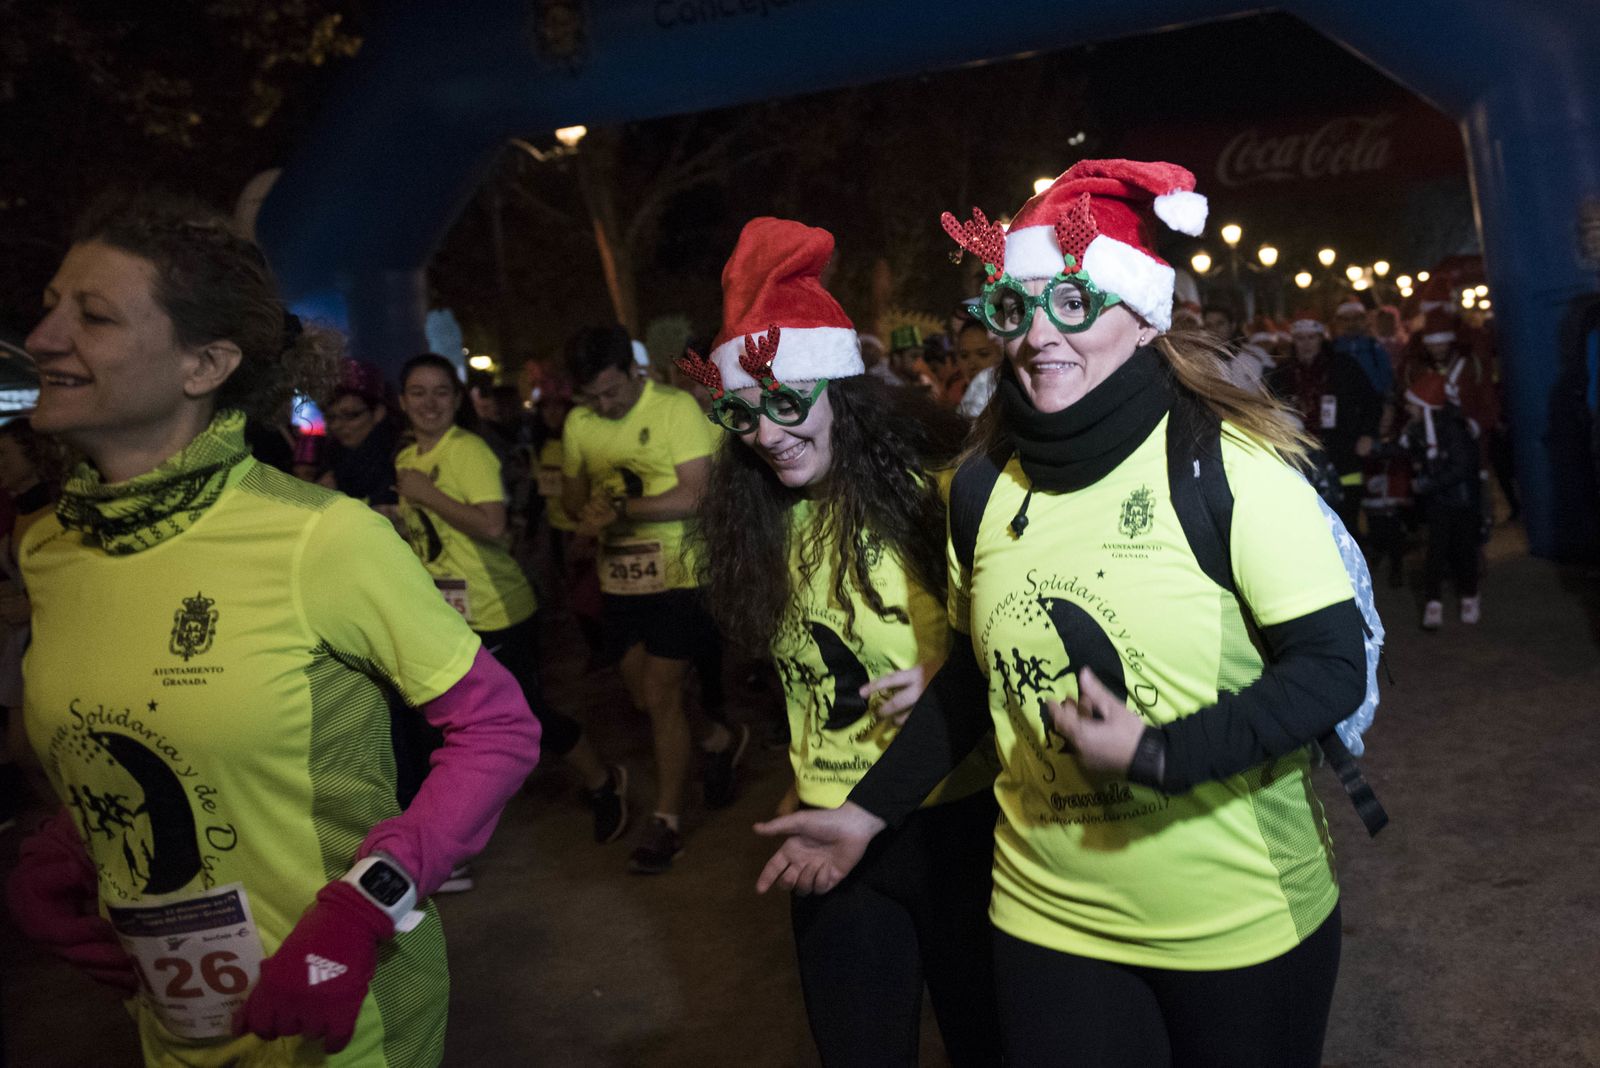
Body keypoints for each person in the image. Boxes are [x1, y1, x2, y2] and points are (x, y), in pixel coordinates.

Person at [755, 160, 1365, 1068]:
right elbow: (972, 679)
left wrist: (1161, 753)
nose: (1039, 336)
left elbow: (1330, 669)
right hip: (1047, 918)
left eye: (1074, 304)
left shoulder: (1229, 470)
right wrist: (866, 813)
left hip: (1236, 920)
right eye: (1015, 310)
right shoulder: (979, 487)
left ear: (1144, 314)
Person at [8, 193, 539, 1065]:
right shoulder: (51, 550)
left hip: (347, 1021)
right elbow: (149, 734)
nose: (45, 337)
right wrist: (68, 847)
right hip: (174, 1030)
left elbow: (500, 728)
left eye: (93, 315)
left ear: (205, 363)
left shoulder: (319, 537)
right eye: (50, 304)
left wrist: (363, 908)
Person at [685, 217, 1000, 1067]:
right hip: (831, 833)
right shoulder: (752, 518)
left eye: (788, 403)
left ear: (842, 392)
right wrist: (803, 778)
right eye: (741, 412)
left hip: (957, 824)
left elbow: (1029, 632)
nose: (767, 432)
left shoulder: (936, 493)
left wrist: (962, 660)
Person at [395, 353, 626, 846]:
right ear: (402, 401)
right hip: (446, 612)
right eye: (418, 392)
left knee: (527, 715)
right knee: (454, 720)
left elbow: (493, 525)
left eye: (441, 392)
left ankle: (605, 782)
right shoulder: (407, 459)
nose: (429, 402)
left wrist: (424, 495)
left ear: (458, 400)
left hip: (496, 608)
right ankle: (457, 823)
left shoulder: (467, 451)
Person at [559, 326, 737, 872]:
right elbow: (572, 497)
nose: (604, 406)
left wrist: (622, 513)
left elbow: (697, 493)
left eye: (612, 392)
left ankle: (667, 823)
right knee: (644, 694)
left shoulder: (676, 410)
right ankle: (716, 737)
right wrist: (586, 511)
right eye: (592, 398)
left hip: (682, 571)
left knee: (661, 691)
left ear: (635, 371)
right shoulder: (579, 423)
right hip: (620, 578)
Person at [1270, 310, 1381, 535]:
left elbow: (1372, 401)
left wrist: (1368, 434)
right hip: (1300, 454)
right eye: (1301, 338)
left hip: (1343, 449)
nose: (1306, 344)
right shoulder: (1281, 372)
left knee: (1347, 512)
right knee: (1307, 516)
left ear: (1322, 339)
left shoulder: (1344, 366)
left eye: (1312, 337)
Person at [319, 357, 401, 508]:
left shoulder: (401, 458)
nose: (337, 425)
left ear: (378, 412)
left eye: (350, 415)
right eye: (331, 417)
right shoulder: (331, 459)